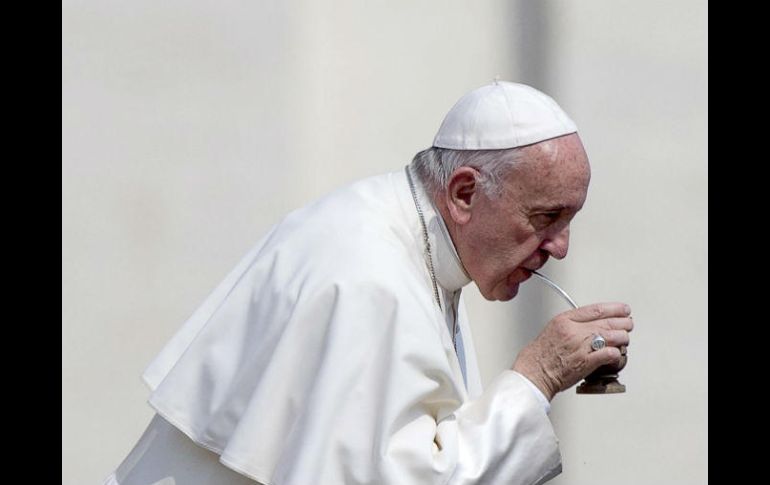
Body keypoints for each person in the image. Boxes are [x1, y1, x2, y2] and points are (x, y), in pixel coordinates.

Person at [103, 81, 633, 485]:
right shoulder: (369, 275)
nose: (560, 247)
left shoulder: (408, 240)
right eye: (546, 218)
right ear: (465, 193)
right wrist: (535, 376)